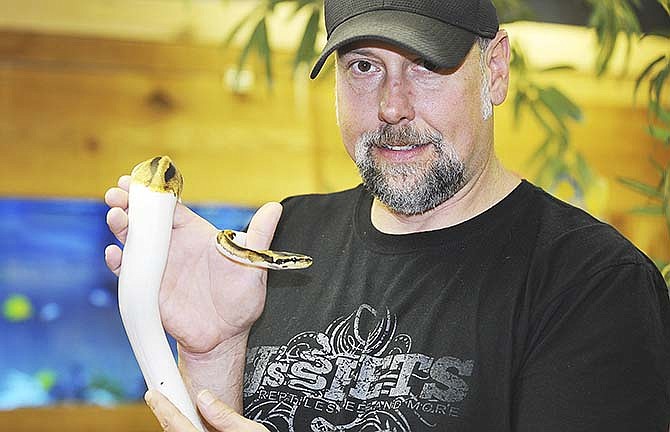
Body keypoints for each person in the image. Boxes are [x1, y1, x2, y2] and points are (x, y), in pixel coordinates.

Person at [105, 0, 670, 431]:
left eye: (425, 64)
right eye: (364, 66)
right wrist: (215, 349)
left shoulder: (593, 285)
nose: (392, 106)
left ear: (495, 70)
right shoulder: (283, 238)